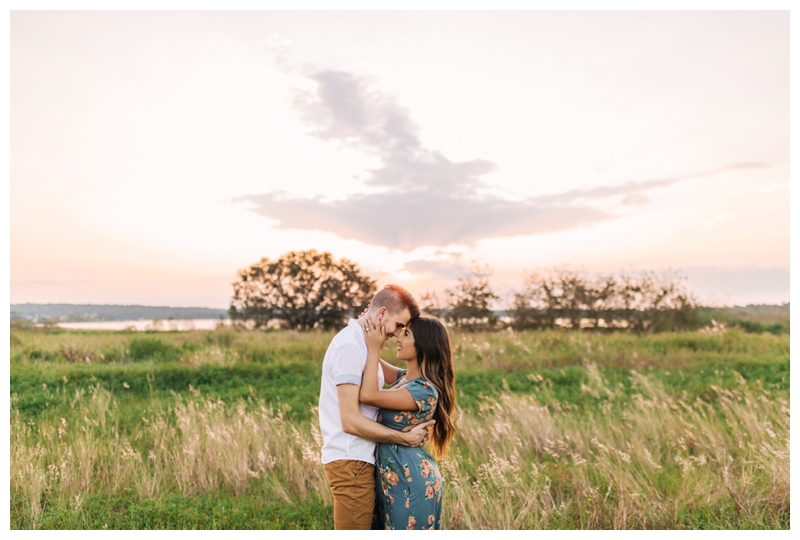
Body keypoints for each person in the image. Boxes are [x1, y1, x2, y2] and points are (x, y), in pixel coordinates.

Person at [319, 284, 434, 530]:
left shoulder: (362, 345)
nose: (397, 333)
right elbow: (350, 421)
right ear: (381, 314)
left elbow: (405, 377)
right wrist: (404, 438)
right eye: (398, 325)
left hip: (362, 460)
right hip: (351, 461)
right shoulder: (350, 347)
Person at [359, 314, 457, 530]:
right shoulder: (405, 378)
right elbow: (366, 356)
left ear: (424, 345)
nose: (398, 338)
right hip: (392, 479)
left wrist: (376, 348)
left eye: (406, 334)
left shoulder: (423, 391)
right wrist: (367, 327)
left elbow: (368, 395)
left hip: (411, 482)